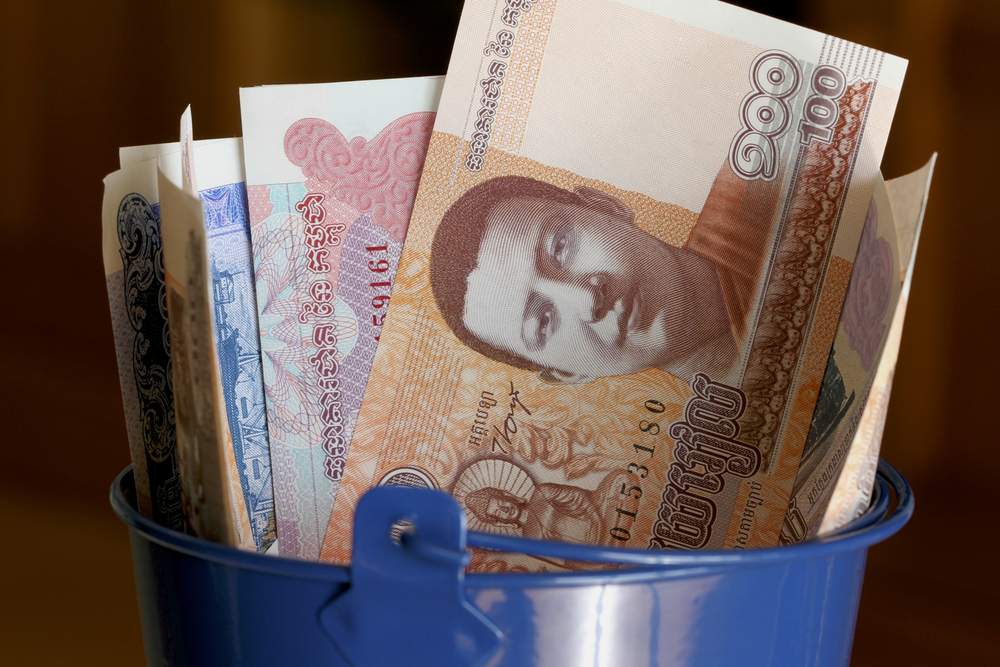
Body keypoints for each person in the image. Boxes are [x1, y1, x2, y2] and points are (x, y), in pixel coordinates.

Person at [429, 164, 780, 384]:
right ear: (569, 373)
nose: (586, 299)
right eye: (543, 322)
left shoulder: (766, 178)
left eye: (560, 247)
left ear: (606, 206)